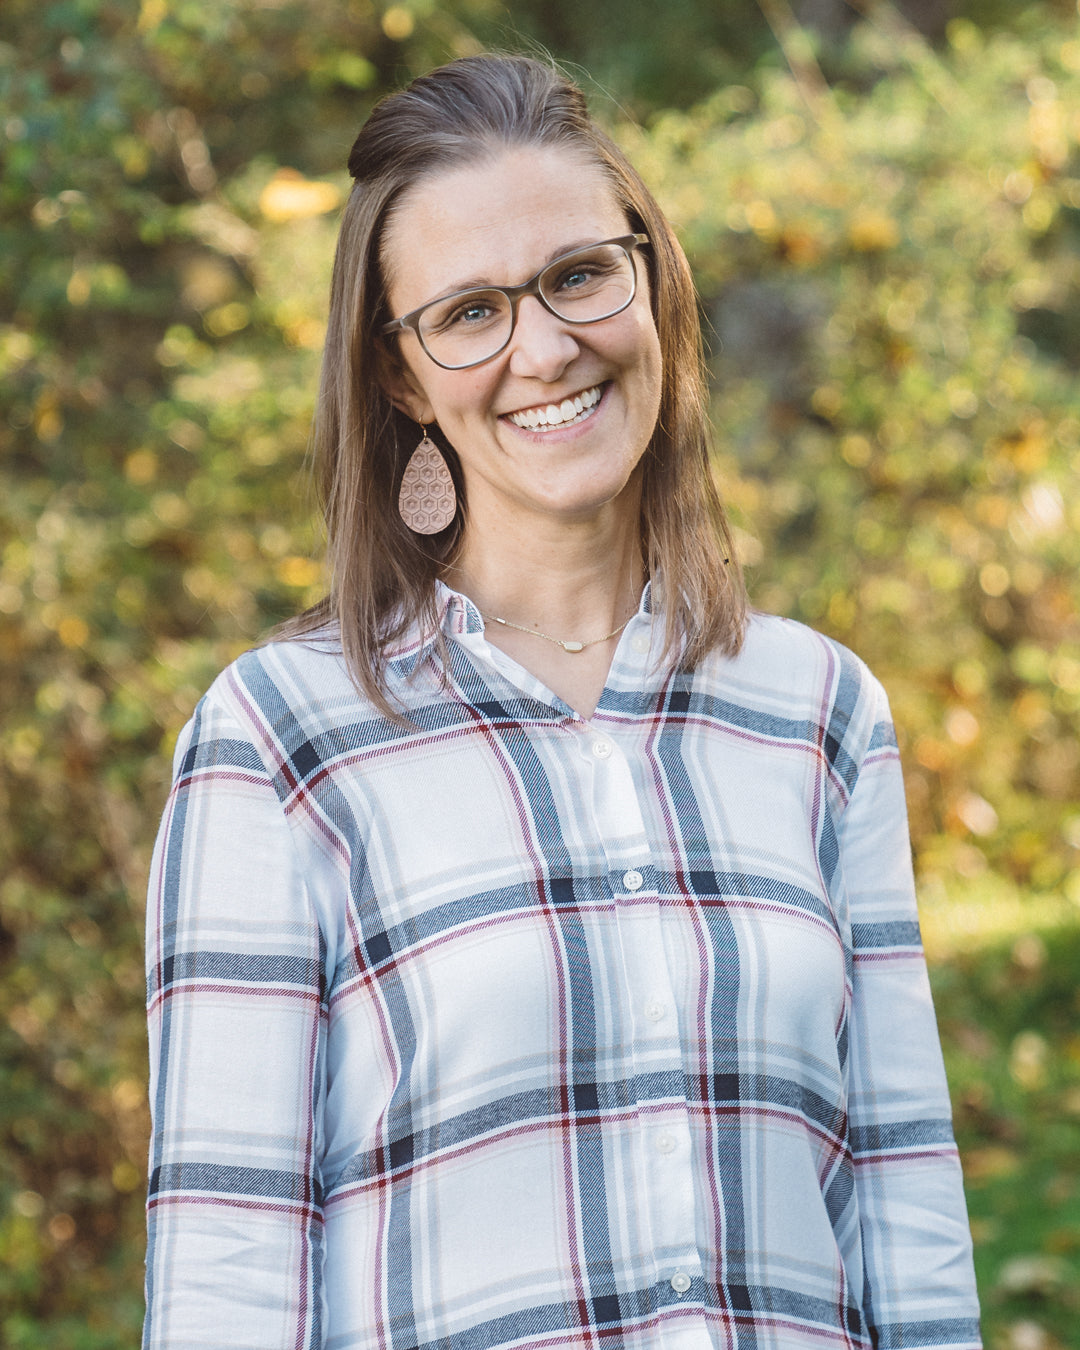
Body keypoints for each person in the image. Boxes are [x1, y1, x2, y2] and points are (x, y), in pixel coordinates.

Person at [143, 53, 982, 1350]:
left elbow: (904, 1205)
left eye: (579, 275)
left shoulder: (821, 711)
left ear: (650, 282)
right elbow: (229, 1260)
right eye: (470, 311)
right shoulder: (279, 738)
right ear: (403, 377)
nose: (544, 347)